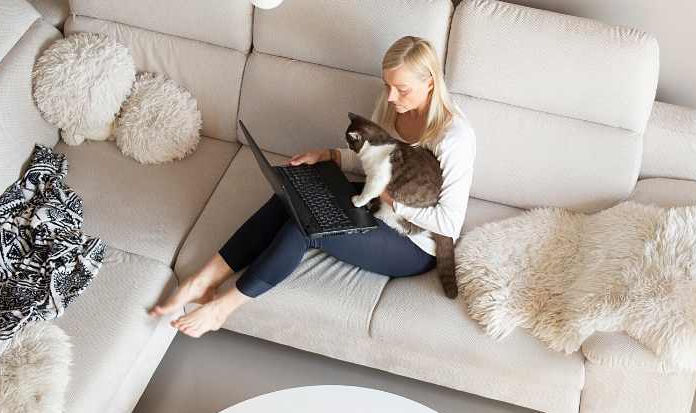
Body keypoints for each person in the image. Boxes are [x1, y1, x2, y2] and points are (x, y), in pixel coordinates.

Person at [147, 36, 477, 338]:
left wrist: (391, 198)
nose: (391, 97)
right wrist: (331, 155)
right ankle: (203, 281)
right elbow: (373, 158)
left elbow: (449, 224)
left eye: (401, 89)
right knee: (292, 195)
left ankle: (224, 307)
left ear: (430, 83)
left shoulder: (455, 138)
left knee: (306, 227)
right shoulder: (392, 103)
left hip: (413, 243)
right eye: (387, 85)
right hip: (377, 206)